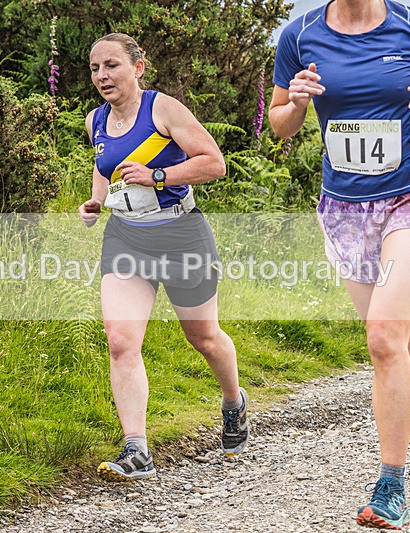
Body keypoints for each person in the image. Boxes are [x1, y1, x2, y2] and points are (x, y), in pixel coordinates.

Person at [269, 0, 410, 529]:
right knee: (401, 340)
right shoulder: (299, 34)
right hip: (346, 209)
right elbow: (280, 124)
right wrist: (298, 103)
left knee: (383, 337)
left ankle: (390, 483)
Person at [78, 33, 249, 482]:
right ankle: (137, 449)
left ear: (138, 66)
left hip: (181, 235)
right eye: (95, 68)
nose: (102, 76)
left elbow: (214, 163)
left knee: (204, 337)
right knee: (120, 341)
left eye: (112, 65)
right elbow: (104, 167)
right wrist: (96, 203)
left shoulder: (163, 109)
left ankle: (234, 402)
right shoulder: (96, 119)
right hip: (126, 239)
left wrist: (158, 175)